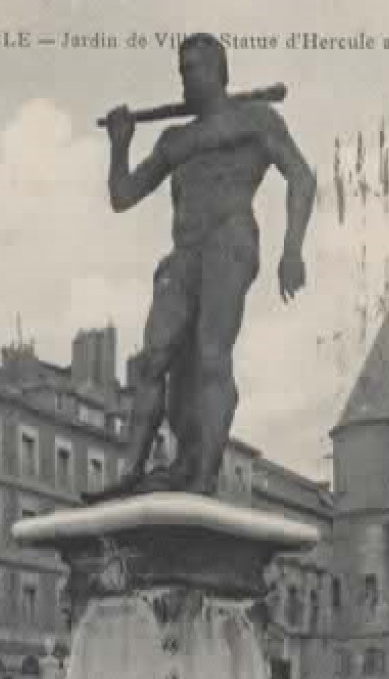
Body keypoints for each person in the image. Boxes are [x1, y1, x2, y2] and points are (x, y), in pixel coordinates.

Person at [89, 32, 315, 500]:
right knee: (156, 358)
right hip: (184, 254)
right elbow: (122, 196)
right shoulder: (177, 139)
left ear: (220, 71)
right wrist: (119, 143)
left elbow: (302, 177)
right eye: (182, 69)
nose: (187, 77)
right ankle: (131, 471)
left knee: (212, 356)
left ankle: (204, 477)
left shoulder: (255, 119)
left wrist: (292, 249)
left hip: (229, 242)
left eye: (196, 68)